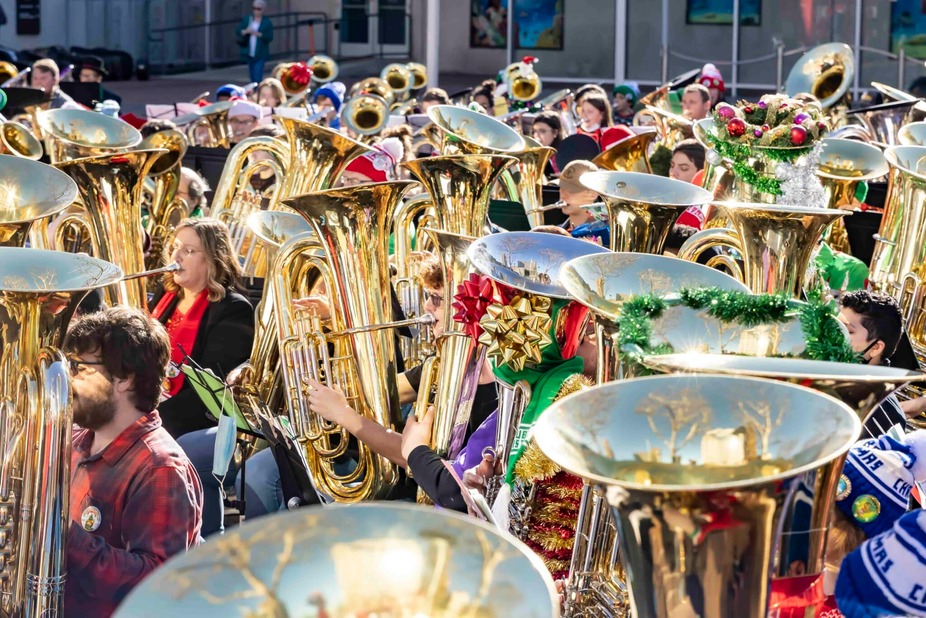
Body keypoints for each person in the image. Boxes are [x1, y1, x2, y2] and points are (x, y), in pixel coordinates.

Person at [64, 307, 203, 617]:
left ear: (124, 378)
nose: (67, 379)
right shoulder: (76, 439)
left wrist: (60, 533)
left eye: (78, 367)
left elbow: (156, 584)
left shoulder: (160, 468)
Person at [149, 218, 255, 439]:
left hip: (182, 422)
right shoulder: (166, 294)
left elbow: (205, 392)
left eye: (188, 250)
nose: (176, 257)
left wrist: (146, 420)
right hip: (145, 405)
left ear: (212, 260)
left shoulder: (233, 309)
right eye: (175, 247)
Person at [837, 291, 907, 437]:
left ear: (875, 348)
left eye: (847, 330)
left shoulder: (887, 417)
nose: (834, 334)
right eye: (836, 324)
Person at [557, 160, 601, 235]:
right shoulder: (557, 233)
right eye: (562, 187)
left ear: (593, 194)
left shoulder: (604, 233)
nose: (563, 195)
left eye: (571, 190)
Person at [239, 0, 274, 85]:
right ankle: (254, 92)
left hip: (260, 53)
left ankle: (257, 92)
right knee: (252, 76)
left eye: (258, 9)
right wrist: (246, 31)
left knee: (257, 76)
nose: (256, 11)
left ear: (263, 9)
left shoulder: (267, 22)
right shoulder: (248, 19)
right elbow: (238, 31)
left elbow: (270, 37)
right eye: (254, 8)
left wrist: (258, 34)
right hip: (249, 52)